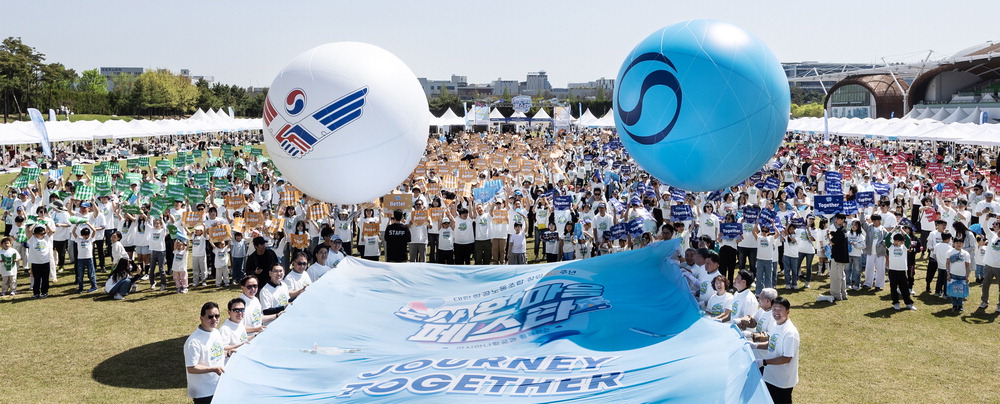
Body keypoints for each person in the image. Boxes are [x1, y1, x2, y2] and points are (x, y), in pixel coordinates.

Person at [756, 297, 799, 404]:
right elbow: (772, 343)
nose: (776, 312)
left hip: (782, 381)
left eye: (780, 309)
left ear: (788, 311)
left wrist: (764, 362)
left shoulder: (790, 333)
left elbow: (787, 358)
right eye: (774, 309)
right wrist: (755, 345)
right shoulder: (775, 324)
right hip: (770, 376)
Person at [184, 302, 225, 404]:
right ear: (201, 318)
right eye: (210, 316)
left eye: (217, 316)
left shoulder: (215, 332)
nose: (214, 319)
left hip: (219, 386)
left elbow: (217, 353)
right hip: (204, 393)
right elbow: (191, 368)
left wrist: (228, 353)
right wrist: (212, 369)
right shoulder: (194, 342)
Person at [884, 232, 916, 310]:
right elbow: (887, 238)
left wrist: (902, 230)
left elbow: (908, 238)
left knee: (904, 288)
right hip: (892, 270)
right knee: (893, 288)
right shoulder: (890, 247)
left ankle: (908, 303)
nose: (896, 242)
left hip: (901, 270)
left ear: (902, 241)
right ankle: (896, 303)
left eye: (898, 241)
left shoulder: (904, 247)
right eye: (895, 241)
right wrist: (893, 230)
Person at [218, 298, 252, 364]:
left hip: (242, 359)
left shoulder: (239, 322)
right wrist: (240, 346)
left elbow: (243, 339)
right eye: (236, 310)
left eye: (242, 310)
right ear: (229, 312)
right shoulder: (225, 329)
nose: (239, 313)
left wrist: (255, 335)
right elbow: (223, 348)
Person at [27, 224, 54, 299]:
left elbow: (51, 231)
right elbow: (29, 231)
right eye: (41, 234)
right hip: (35, 262)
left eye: (44, 233)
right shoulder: (32, 238)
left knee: (45, 278)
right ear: (35, 234)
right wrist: (35, 223)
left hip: (45, 261)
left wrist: (46, 224)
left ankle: (45, 292)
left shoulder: (46, 238)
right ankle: (36, 293)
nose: (43, 235)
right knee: (37, 278)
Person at [946, 237, 972, 312]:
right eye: (957, 243)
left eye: (960, 243)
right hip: (952, 274)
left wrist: (967, 276)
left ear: (963, 244)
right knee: (953, 290)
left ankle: (960, 305)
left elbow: (967, 265)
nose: (959, 244)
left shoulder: (966, 253)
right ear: (954, 243)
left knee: (961, 290)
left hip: (962, 275)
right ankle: (954, 305)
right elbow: (947, 263)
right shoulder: (950, 251)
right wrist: (948, 273)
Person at [828, 213, 849, 302]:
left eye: (838, 219)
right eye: (836, 219)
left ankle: (837, 295)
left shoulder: (841, 231)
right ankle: (843, 294)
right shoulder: (843, 230)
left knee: (836, 276)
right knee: (841, 276)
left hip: (838, 256)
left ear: (843, 220)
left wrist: (828, 235)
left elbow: (832, 242)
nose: (836, 220)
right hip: (842, 256)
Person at [72, 223, 98, 293]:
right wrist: (76, 225)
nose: (86, 236)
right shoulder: (79, 239)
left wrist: (88, 224)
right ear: (82, 235)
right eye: (84, 235)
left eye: (87, 235)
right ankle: (80, 288)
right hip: (80, 259)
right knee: (80, 275)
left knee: (91, 273)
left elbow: (94, 231)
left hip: (89, 258)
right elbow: (73, 232)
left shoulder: (90, 239)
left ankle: (94, 286)